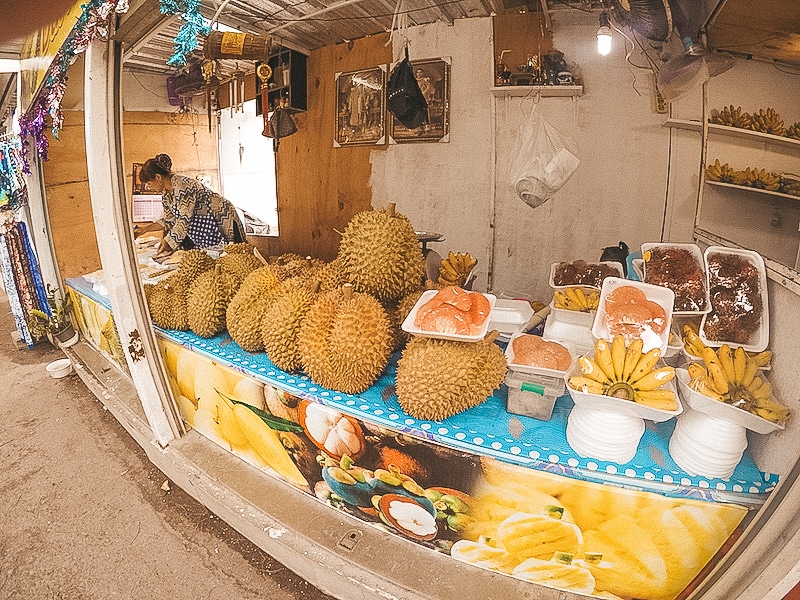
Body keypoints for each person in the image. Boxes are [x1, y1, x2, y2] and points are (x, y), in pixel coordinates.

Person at [137, 153, 245, 254]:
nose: (148, 188)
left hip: (221, 219)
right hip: (205, 227)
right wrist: (144, 229)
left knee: (235, 253)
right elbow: (169, 220)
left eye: (149, 183)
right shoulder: (166, 195)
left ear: (158, 177)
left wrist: (169, 241)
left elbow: (184, 219)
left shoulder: (183, 187)